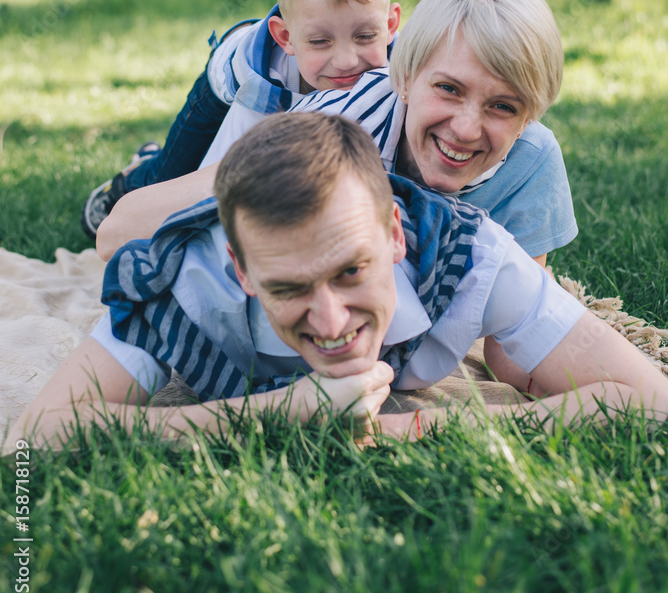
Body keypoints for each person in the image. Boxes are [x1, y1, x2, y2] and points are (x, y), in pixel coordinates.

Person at [8, 114, 668, 452]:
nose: (328, 321)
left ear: (394, 235)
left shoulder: (473, 261)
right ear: (242, 270)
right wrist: (273, 415)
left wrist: (409, 432)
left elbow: (650, 401)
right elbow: (37, 435)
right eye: (289, 287)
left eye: (351, 271)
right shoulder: (180, 288)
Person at [96, 0, 575, 394]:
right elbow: (117, 234)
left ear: (529, 116)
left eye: (504, 106)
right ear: (404, 79)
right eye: (449, 89)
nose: (467, 128)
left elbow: (510, 349)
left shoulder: (532, 162)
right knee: (169, 183)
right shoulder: (339, 120)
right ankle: (142, 166)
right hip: (232, 89)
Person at [81, 0, 401, 237]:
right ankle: (128, 180)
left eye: (365, 36)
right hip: (220, 88)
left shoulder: (401, 68)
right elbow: (226, 174)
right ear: (286, 37)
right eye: (320, 42)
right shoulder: (262, 84)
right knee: (172, 174)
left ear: (389, 24)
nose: (347, 60)